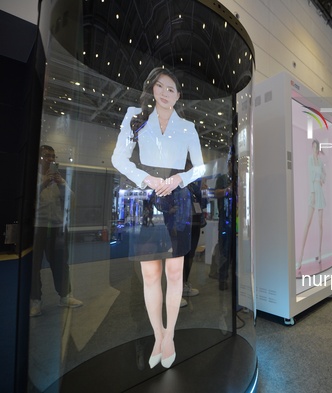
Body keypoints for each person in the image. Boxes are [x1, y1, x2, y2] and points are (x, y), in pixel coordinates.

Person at [111, 67, 204, 369]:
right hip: (147, 196)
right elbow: (118, 158)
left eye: (172, 89)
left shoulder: (188, 127)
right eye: (161, 87)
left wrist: (180, 179)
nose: (165, 93)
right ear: (152, 89)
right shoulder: (136, 118)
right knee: (150, 274)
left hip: (177, 197)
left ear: (179, 95)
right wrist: (145, 178)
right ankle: (157, 335)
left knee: (175, 273)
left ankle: (170, 335)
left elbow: (200, 168)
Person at [30, 145, 83, 317]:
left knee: (61, 263)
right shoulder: (35, 178)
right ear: (39, 158)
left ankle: (65, 296)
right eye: (46, 156)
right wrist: (44, 182)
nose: (51, 159)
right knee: (34, 266)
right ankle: (35, 301)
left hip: (57, 227)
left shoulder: (59, 180)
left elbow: (72, 200)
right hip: (38, 227)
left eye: (53, 156)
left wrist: (61, 184)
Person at [296, 139, 326, 276]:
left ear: (318, 149)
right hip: (313, 191)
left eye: (316, 147)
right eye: (313, 147)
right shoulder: (309, 159)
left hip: (319, 190)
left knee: (320, 224)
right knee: (307, 224)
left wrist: (322, 180)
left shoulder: (320, 162)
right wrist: (313, 193)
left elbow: (323, 175)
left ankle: (319, 253)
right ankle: (300, 258)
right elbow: (309, 176)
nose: (315, 149)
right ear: (311, 148)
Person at [182, 178, 208, 300]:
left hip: (195, 223)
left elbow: (203, 204)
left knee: (190, 254)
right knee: (182, 255)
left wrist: (204, 192)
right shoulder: (178, 185)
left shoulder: (194, 186)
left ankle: (185, 282)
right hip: (183, 224)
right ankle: (178, 286)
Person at [215, 155, 233, 290]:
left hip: (238, 220)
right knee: (224, 249)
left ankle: (233, 277)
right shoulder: (222, 178)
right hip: (225, 219)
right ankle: (222, 278)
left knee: (233, 250)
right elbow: (216, 193)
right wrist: (228, 190)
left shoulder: (238, 178)